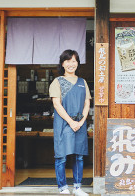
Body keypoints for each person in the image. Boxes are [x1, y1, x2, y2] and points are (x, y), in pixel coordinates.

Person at [49, 49, 91, 195]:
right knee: (61, 156)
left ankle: (78, 187)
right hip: (63, 123)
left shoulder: (82, 82)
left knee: (79, 155)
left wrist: (82, 120)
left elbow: (87, 104)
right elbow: (57, 104)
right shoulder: (57, 81)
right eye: (68, 61)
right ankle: (63, 188)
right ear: (63, 64)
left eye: (74, 60)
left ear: (77, 63)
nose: (71, 64)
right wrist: (71, 122)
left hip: (80, 123)